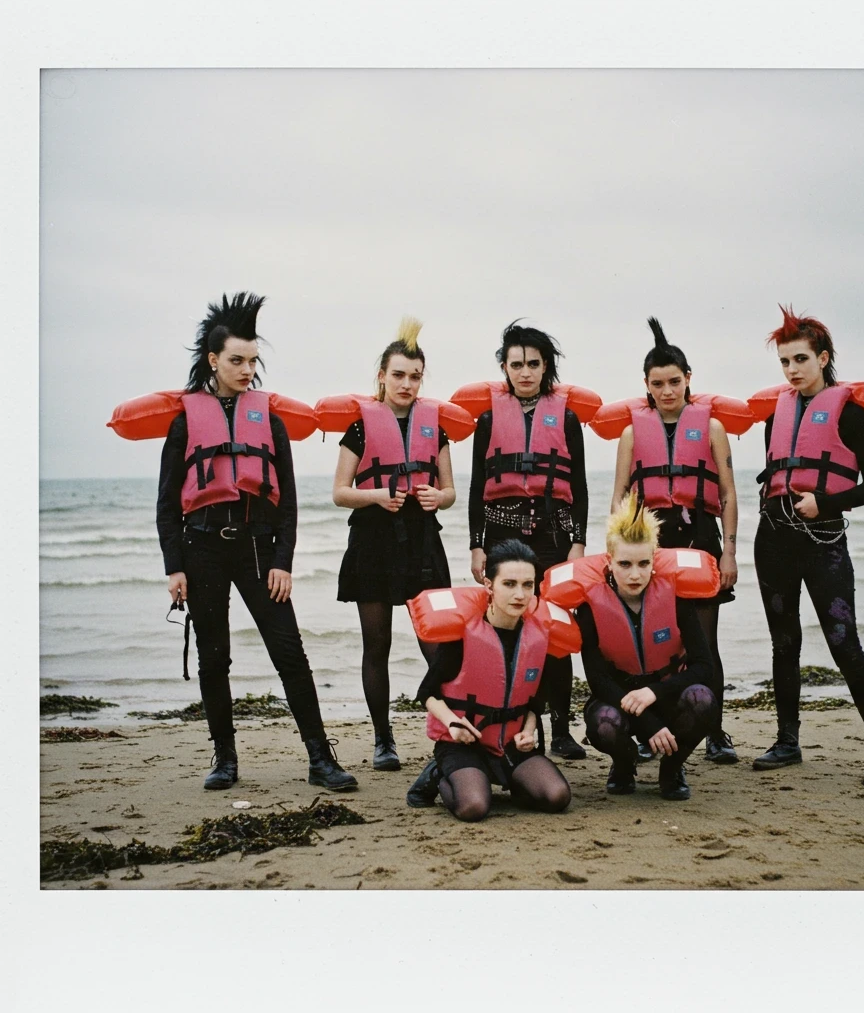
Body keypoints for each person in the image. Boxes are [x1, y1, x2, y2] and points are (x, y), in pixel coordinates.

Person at [156, 292, 356, 791]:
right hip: (201, 549)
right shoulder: (185, 423)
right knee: (213, 656)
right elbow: (166, 504)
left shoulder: (269, 420)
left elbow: (286, 500)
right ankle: (224, 759)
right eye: (237, 361)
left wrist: (282, 561)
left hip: (257, 550)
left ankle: (319, 758)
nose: (247, 370)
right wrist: (174, 566)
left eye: (253, 361)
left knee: (289, 651)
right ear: (213, 361)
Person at [752, 305, 864, 784]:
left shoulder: (851, 415)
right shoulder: (778, 414)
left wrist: (827, 502)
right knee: (783, 643)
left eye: (800, 360)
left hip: (822, 541)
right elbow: (776, 472)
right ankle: (787, 742)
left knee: (843, 642)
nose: (792, 371)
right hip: (773, 538)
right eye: (784, 363)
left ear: (823, 357)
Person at [610, 318, 739, 764]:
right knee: (653, 641)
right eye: (658, 383)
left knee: (705, 639)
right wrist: (616, 555)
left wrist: (729, 551)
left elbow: (727, 494)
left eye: (675, 381)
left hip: (701, 535)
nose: (667, 391)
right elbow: (620, 499)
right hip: (650, 543)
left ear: (689, 379)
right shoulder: (631, 433)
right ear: (645, 384)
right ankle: (654, 728)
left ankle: (716, 730)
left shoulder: (712, 428)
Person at [333, 317, 456, 771]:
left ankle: (448, 731)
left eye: (415, 376)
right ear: (381, 376)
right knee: (377, 644)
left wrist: (436, 497)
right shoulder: (360, 429)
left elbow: (450, 492)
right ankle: (383, 740)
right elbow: (340, 491)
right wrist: (377, 497)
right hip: (372, 541)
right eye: (398, 374)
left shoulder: (435, 427)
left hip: (423, 542)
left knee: (437, 642)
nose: (407, 384)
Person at [466, 321, 589, 760]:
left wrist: (579, 544)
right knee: (506, 631)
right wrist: (476, 544)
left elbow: (580, 485)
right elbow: (478, 486)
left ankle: (560, 729)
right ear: (505, 367)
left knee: (553, 633)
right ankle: (505, 722)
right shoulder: (487, 421)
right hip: (501, 534)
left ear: (546, 367)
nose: (524, 372)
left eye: (533, 364)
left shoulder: (567, 418)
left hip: (554, 537)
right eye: (516, 364)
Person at [405, 540, 573, 820]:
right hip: (463, 741)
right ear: (489, 585)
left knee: (556, 797)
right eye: (509, 584)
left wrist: (528, 732)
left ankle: (499, 776)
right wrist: (453, 724)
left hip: (509, 743)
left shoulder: (539, 637)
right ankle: (437, 773)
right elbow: (427, 693)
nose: (520, 595)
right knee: (474, 808)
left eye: (528, 585)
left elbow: (535, 702)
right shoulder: (463, 634)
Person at [568, 496, 719, 800]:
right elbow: (597, 680)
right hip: (618, 698)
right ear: (609, 560)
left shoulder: (676, 598)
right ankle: (624, 765)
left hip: (667, 694)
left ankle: (672, 768)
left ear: (654, 559)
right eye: (624, 564)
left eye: (643, 563)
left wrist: (655, 693)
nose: (634, 574)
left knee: (703, 700)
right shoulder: (590, 609)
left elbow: (705, 665)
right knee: (603, 725)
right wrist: (648, 724)